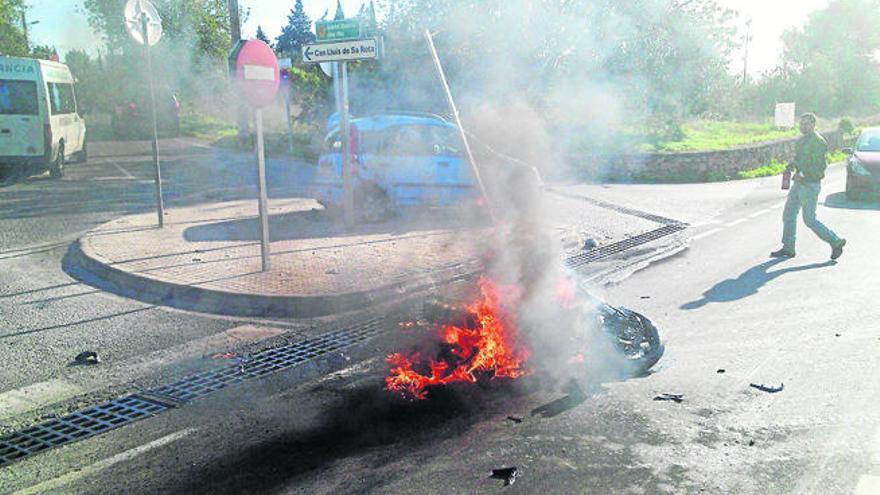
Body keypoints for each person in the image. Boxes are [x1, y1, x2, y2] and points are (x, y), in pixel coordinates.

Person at [771, 113, 846, 260]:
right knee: (788, 215)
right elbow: (800, 160)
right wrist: (791, 166)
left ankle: (835, 241)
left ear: (813, 124)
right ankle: (788, 248)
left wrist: (803, 174)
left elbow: (819, 167)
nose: (802, 127)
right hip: (798, 183)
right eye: (801, 124)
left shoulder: (818, 142)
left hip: (810, 185)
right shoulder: (802, 140)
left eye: (806, 124)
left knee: (809, 220)